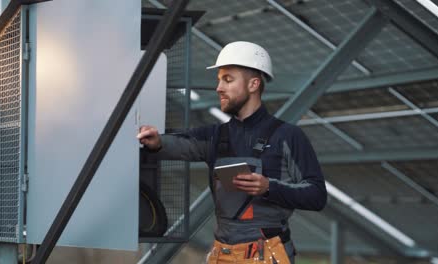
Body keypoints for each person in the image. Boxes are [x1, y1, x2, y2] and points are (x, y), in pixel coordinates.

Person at [137, 41, 327, 264]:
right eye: (219, 80)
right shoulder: (215, 136)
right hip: (223, 254)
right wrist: (157, 141)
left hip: (268, 255)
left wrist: (268, 187)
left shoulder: (288, 135)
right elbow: (179, 144)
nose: (219, 87)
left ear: (254, 84)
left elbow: (317, 195)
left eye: (228, 79)